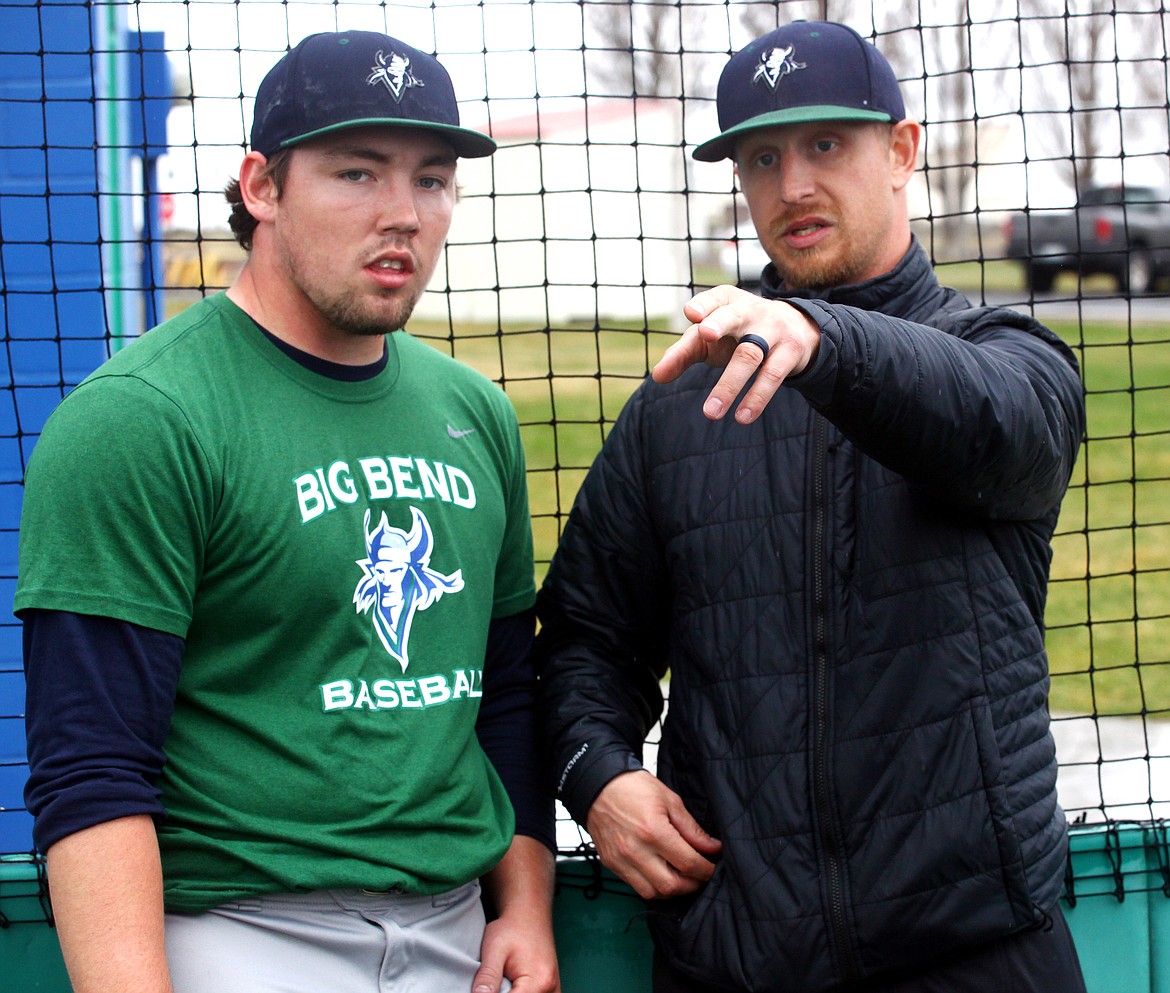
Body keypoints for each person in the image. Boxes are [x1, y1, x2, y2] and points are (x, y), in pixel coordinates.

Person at [535, 20, 1086, 993]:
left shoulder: (1006, 357)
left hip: (977, 952)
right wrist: (597, 774)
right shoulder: (678, 406)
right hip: (738, 959)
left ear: (902, 150)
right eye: (761, 158)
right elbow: (585, 638)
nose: (792, 187)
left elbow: (1001, 432)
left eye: (826, 145)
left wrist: (819, 339)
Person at [17, 30, 559, 993]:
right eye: (357, 173)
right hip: (237, 932)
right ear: (262, 186)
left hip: (460, 937)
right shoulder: (139, 419)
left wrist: (525, 906)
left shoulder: (472, 412)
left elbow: (504, 688)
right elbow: (93, 774)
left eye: (432, 180)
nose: (403, 214)